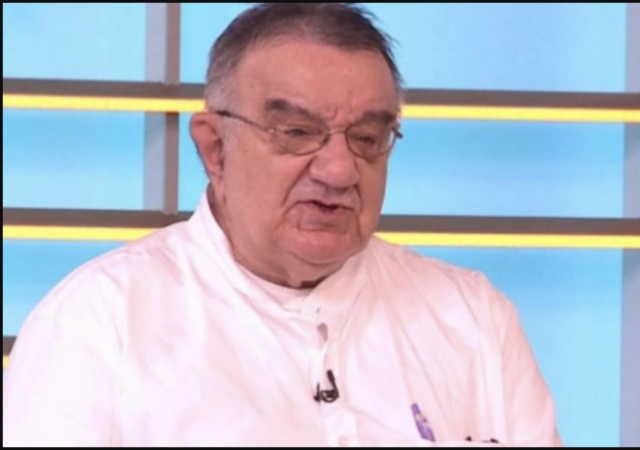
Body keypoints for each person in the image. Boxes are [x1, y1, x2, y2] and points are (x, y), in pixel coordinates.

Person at [3, 3, 562, 447]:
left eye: (368, 138)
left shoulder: (473, 318)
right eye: (296, 133)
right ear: (215, 149)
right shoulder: (99, 323)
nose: (339, 170)